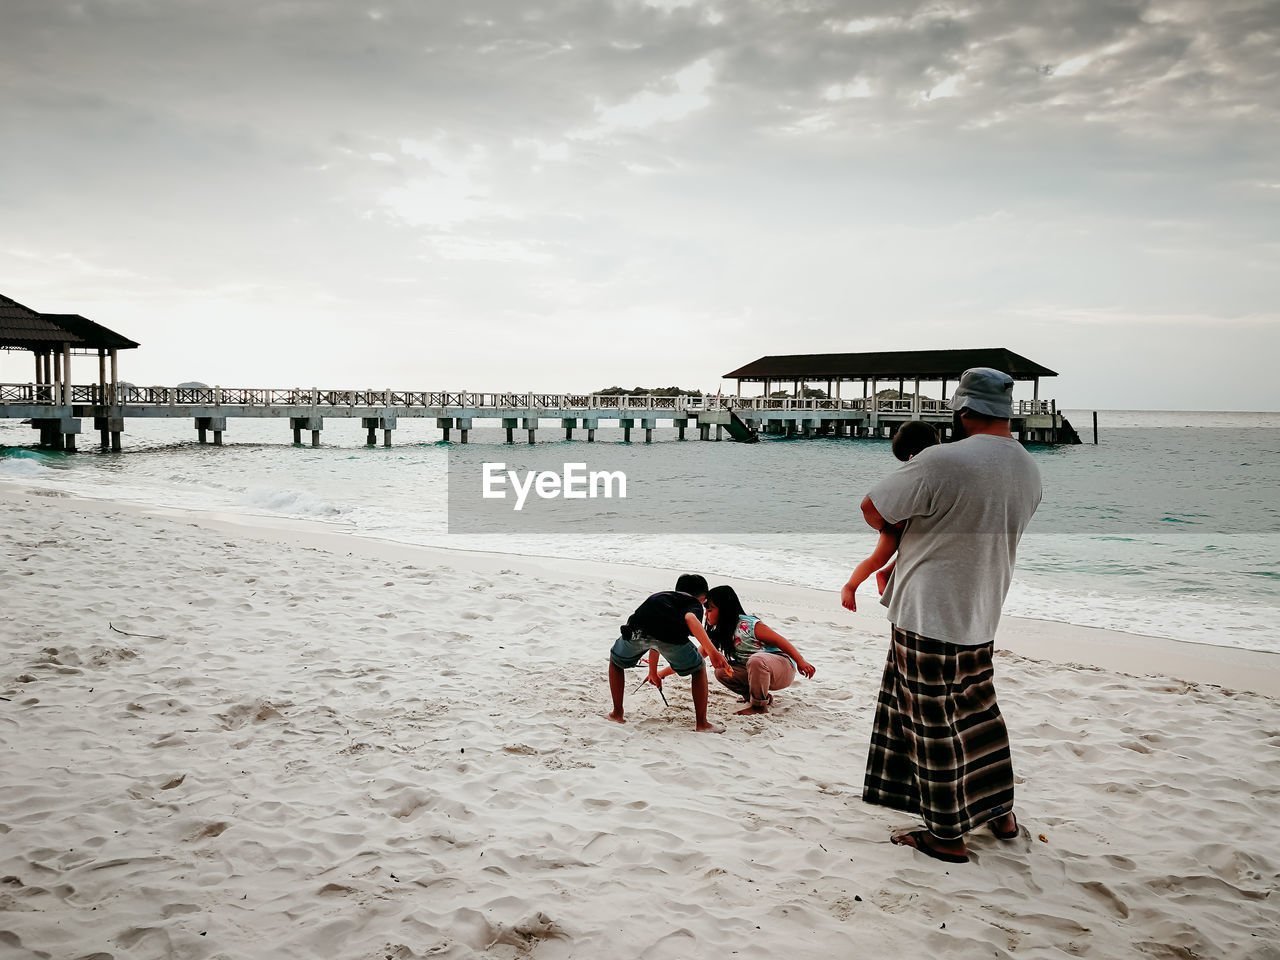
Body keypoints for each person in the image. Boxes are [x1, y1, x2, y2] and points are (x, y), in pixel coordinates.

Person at [853, 368, 1042, 864]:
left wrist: (909, 526)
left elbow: (874, 508)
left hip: (928, 610)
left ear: (962, 411)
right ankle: (1000, 811)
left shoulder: (942, 460)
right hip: (982, 608)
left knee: (928, 719)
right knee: (979, 713)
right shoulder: (1028, 467)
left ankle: (946, 835)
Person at [607, 574, 729, 733]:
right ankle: (702, 724)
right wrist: (713, 652)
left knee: (616, 661)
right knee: (698, 668)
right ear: (703, 598)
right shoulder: (693, 603)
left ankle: (617, 714)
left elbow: (654, 634)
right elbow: (690, 618)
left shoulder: (662, 597)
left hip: (637, 632)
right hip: (671, 639)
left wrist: (653, 672)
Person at [840, 421, 940, 612]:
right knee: (877, 559)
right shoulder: (920, 463)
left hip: (907, 520)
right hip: (895, 523)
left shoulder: (921, 463)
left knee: (911, 550)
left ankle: (885, 574)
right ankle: (850, 586)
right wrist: (885, 524)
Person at [703, 585, 816, 716]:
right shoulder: (720, 632)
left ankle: (759, 707)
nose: (706, 614)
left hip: (781, 668)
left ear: (724, 610)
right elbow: (700, 653)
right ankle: (758, 698)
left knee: (756, 660)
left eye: (709, 610)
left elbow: (779, 640)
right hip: (756, 671)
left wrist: (800, 661)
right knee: (721, 672)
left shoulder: (747, 625)